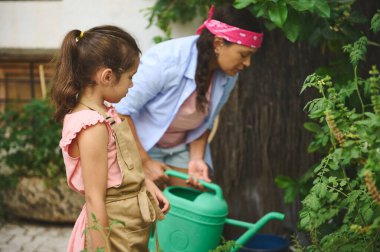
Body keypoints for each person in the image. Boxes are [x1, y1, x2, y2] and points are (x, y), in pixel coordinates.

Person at [115, 4, 263, 189]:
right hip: (140, 145)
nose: (247, 63)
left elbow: (206, 123)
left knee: (195, 202)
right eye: (243, 55)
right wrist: (144, 162)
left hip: (179, 147)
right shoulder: (165, 59)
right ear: (218, 44)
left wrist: (196, 159)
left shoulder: (229, 74)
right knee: (145, 208)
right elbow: (120, 111)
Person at [51, 25, 170, 252]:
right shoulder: (92, 126)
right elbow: (95, 200)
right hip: (115, 233)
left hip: (129, 226)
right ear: (107, 76)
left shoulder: (106, 113)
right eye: (130, 77)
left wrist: (144, 184)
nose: (132, 84)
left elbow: (117, 172)